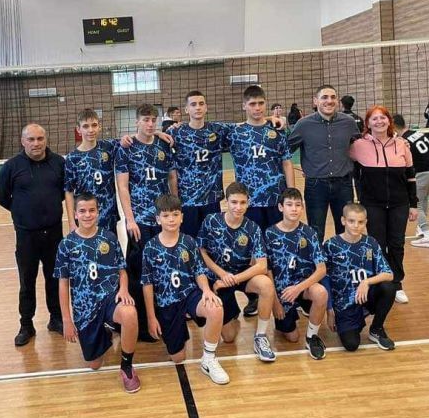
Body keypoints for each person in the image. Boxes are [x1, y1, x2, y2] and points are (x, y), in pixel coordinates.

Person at [54, 193, 141, 393]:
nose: (87, 215)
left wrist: (124, 289)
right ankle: (106, 331)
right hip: (85, 307)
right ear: (75, 214)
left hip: (109, 298)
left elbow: (121, 269)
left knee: (129, 313)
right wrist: (66, 320)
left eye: (92, 210)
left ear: (98, 212)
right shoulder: (67, 244)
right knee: (94, 364)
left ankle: (127, 367)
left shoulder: (108, 237)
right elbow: (63, 283)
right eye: (82, 211)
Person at [142, 194, 230, 384]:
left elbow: (199, 270)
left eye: (175, 214)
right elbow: (147, 284)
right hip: (167, 303)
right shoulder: (150, 248)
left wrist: (206, 290)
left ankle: (209, 359)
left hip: (190, 294)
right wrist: (151, 317)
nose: (171, 219)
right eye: (166, 216)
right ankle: (179, 334)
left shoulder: (189, 242)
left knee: (215, 308)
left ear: (182, 217)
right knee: (178, 358)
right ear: (158, 219)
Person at [0, 123, 65, 346]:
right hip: (26, 236)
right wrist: (23, 213)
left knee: (55, 278)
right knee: (27, 281)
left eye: (40, 138)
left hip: (54, 233)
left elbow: (63, 193)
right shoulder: (11, 167)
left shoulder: (58, 163)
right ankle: (26, 325)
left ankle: (56, 319)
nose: (36, 143)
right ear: (22, 141)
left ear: (46, 139)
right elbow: (2, 198)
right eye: (31, 139)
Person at [229, 85, 295, 317]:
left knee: (279, 248)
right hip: (249, 204)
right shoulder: (235, 132)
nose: (257, 108)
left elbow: (287, 162)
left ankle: (285, 294)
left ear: (265, 104)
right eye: (252, 104)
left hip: (275, 201)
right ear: (244, 106)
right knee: (250, 251)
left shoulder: (276, 130)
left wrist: (291, 194)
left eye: (260, 104)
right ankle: (255, 296)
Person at [115, 104, 178, 341]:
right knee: (139, 273)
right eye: (146, 120)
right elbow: (123, 186)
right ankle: (139, 324)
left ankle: (163, 318)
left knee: (163, 269)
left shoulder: (164, 144)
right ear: (137, 122)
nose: (150, 124)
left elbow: (172, 177)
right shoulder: (127, 148)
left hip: (163, 220)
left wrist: (175, 210)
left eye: (154, 120)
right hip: (140, 221)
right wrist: (129, 220)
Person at [197, 182, 277, 362]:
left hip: (239, 274)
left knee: (266, 284)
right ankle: (231, 312)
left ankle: (260, 337)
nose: (238, 207)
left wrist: (232, 279)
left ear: (248, 203)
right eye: (234, 202)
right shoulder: (211, 221)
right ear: (226, 202)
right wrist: (222, 274)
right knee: (229, 337)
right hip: (217, 278)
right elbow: (201, 251)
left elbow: (262, 266)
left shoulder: (253, 228)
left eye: (242, 202)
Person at [350, 106, 418, 304]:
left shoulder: (402, 144)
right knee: (378, 245)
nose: (379, 121)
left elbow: (411, 176)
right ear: (368, 123)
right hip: (373, 204)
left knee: (397, 244)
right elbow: (338, 157)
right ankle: (381, 283)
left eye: (383, 118)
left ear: (389, 121)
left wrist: (413, 204)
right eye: (374, 119)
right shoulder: (358, 145)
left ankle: (396, 283)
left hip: (399, 203)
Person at [288, 84, 361, 243]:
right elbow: (286, 150)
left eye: (333, 97)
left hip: (343, 184)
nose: (329, 101)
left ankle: (342, 259)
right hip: (316, 186)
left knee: (346, 230)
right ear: (315, 101)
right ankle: (317, 260)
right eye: (324, 97)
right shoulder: (303, 125)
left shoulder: (348, 122)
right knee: (316, 231)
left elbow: (361, 146)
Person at [264, 188, 329, 360]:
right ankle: (286, 319)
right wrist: (275, 303)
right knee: (292, 338)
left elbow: (322, 269)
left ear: (302, 208)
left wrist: (298, 288)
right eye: (289, 205)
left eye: (298, 205)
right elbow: (267, 271)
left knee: (321, 293)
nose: (294, 209)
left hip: (303, 288)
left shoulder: (309, 233)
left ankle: (312, 337)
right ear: (281, 207)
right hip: (282, 293)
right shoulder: (270, 234)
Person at [323, 203, 397, 352]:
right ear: (343, 221)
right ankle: (353, 322)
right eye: (351, 221)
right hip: (344, 303)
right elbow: (324, 279)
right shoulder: (331, 245)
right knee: (351, 345)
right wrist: (329, 310)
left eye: (360, 222)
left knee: (388, 287)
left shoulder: (371, 243)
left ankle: (376, 329)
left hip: (366, 296)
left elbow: (389, 274)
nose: (356, 226)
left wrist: (366, 282)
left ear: (366, 222)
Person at [167, 91, 233, 237]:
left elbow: (246, 125)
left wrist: (270, 118)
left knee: (213, 241)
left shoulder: (218, 130)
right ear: (186, 109)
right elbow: (153, 138)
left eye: (201, 104)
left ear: (206, 107)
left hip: (212, 199)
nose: (198, 107)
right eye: (193, 104)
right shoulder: (177, 133)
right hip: (188, 200)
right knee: (190, 241)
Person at [64, 109, 119, 234]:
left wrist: (159, 133)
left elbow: (134, 140)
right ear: (78, 129)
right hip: (86, 218)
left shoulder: (109, 146)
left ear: (99, 126)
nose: (90, 130)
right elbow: (68, 192)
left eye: (94, 125)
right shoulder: (72, 158)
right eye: (85, 126)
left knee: (109, 245)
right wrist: (72, 222)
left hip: (108, 216)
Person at [394, 114, 429, 249]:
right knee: (423, 199)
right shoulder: (417, 133)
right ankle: (422, 230)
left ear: (393, 126)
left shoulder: (403, 140)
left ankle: (428, 236)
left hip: (424, 173)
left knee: (416, 204)